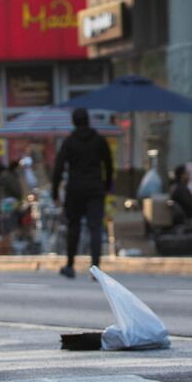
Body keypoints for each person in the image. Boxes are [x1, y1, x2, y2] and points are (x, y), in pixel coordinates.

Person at [52, 108, 114, 279]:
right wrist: (107, 185)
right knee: (95, 228)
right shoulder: (99, 140)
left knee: (74, 227)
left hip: (75, 189)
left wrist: (55, 192)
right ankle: (95, 268)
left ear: (74, 121)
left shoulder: (69, 142)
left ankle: (70, 265)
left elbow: (58, 168)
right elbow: (108, 165)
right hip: (95, 188)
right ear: (88, 120)